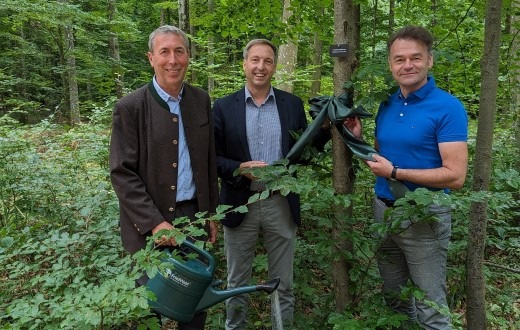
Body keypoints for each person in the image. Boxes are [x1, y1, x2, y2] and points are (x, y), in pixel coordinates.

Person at [345, 26, 468, 329]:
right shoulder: (387, 104)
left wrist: (397, 173)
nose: (407, 65)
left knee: (430, 307)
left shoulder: (448, 107)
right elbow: (380, 159)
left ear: (430, 60)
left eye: (416, 57)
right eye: (399, 59)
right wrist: (358, 140)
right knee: (395, 299)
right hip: (383, 210)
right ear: (390, 64)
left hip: (424, 216)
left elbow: (455, 176)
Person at [212, 39, 329, 329]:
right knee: (236, 281)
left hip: (280, 203)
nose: (260, 67)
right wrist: (239, 169)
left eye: (267, 61)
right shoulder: (224, 107)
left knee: (283, 283)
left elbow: (303, 153)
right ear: (244, 64)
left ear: (274, 66)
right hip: (240, 204)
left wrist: (325, 130)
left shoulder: (291, 104)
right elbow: (211, 158)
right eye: (255, 60)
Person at [109, 25, 219, 330]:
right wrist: (156, 224)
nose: (173, 59)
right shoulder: (130, 107)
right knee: (150, 307)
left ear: (188, 56)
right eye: (164, 51)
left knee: (193, 306)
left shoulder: (200, 100)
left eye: (179, 51)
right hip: (146, 225)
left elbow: (208, 162)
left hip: (192, 219)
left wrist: (211, 213)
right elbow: (121, 173)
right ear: (151, 58)